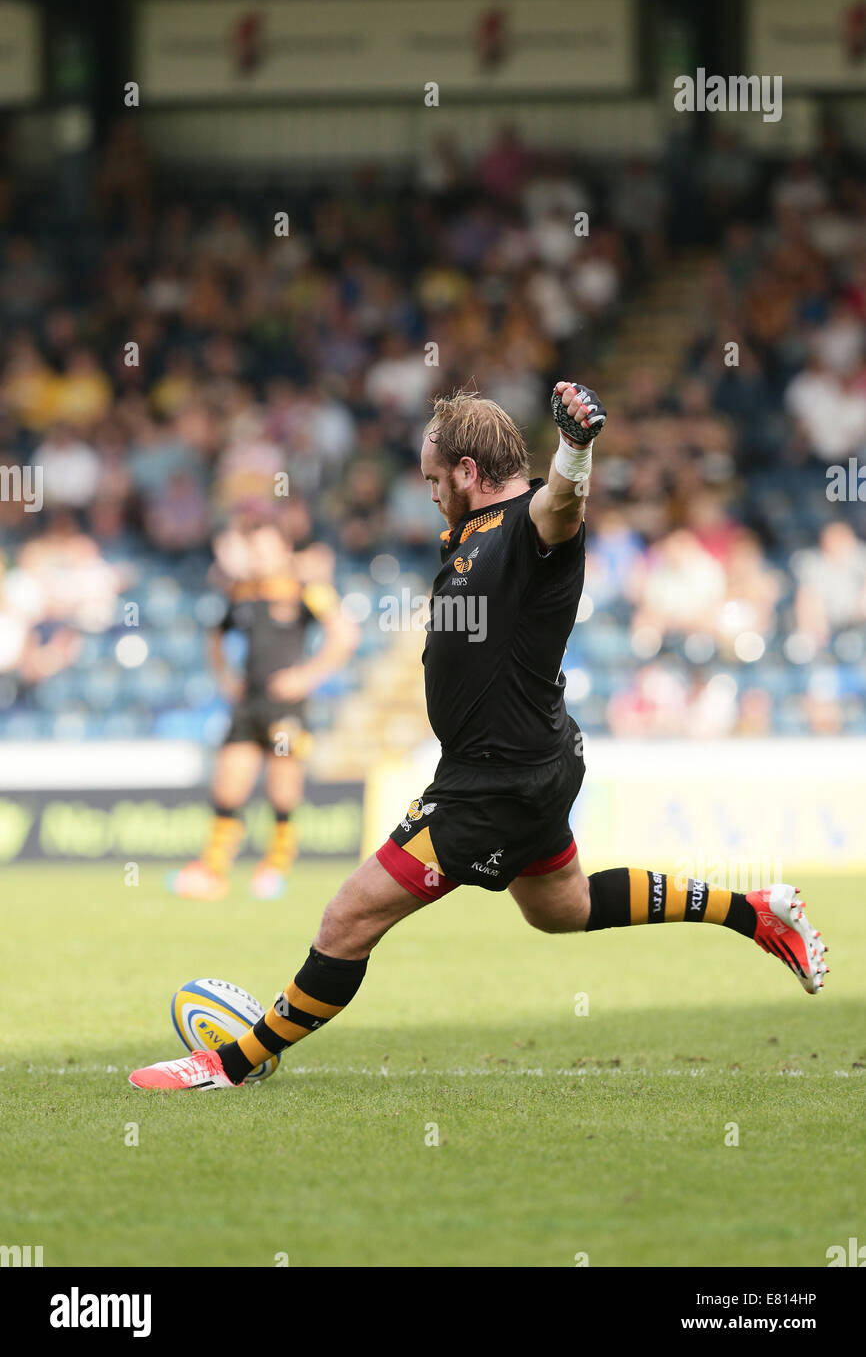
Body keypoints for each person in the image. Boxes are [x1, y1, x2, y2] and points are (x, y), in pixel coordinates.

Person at [131, 383, 828, 1090]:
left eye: (436, 479)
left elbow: (562, 503)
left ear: (467, 471)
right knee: (565, 909)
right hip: (533, 760)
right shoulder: (475, 531)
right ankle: (755, 912)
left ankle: (230, 1064)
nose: (431, 493)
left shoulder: (529, 520)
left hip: (491, 784)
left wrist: (576, 449)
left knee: (347, 918)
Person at [167, 508, 359, 901]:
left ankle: (276, 866)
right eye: (254, 550)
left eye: (266, 549)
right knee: (228, 786)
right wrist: (224, 678)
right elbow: (214, 638)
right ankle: (214, 870)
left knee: (282, 787)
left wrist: (306, 677)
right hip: (248, 703)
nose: (259, 557)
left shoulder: (306, 588)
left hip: (286, 706)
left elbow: (344, 634)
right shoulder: (240, 592)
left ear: (284, 549)